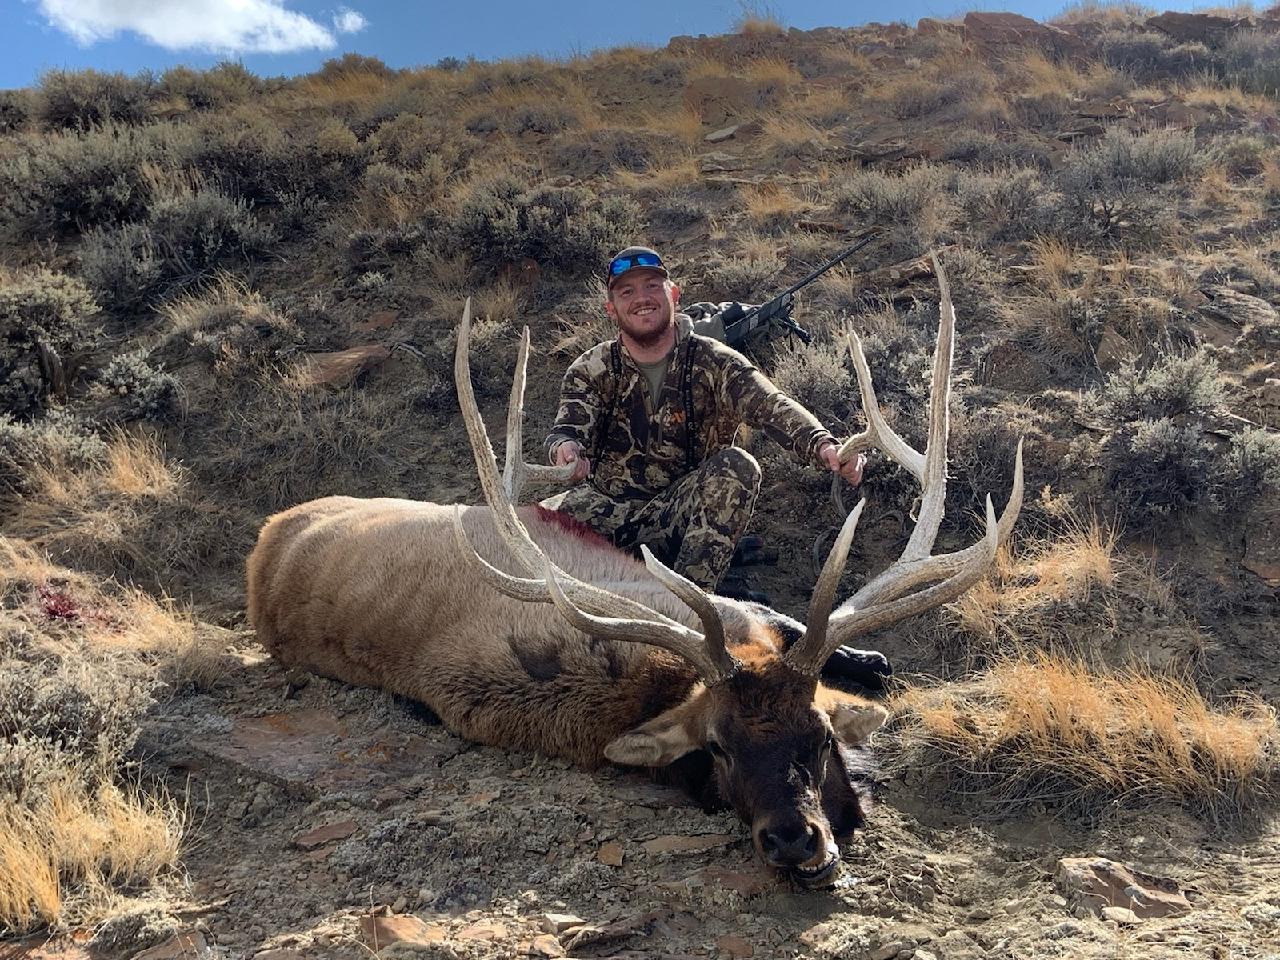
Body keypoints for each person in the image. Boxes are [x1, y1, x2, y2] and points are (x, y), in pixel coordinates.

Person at [541, 245, 867, 595]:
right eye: (627, 291)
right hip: (604, 514)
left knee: (736, 466)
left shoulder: (716, 361)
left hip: (682, 517)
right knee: (520, 532)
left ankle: (688, 606)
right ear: (611, 308)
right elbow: (567, 431)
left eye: (652, 285)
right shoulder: (590, 370)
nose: (642, 298)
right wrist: (564, 451)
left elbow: (771, 403)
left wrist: (823, 443)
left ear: (674, 295)